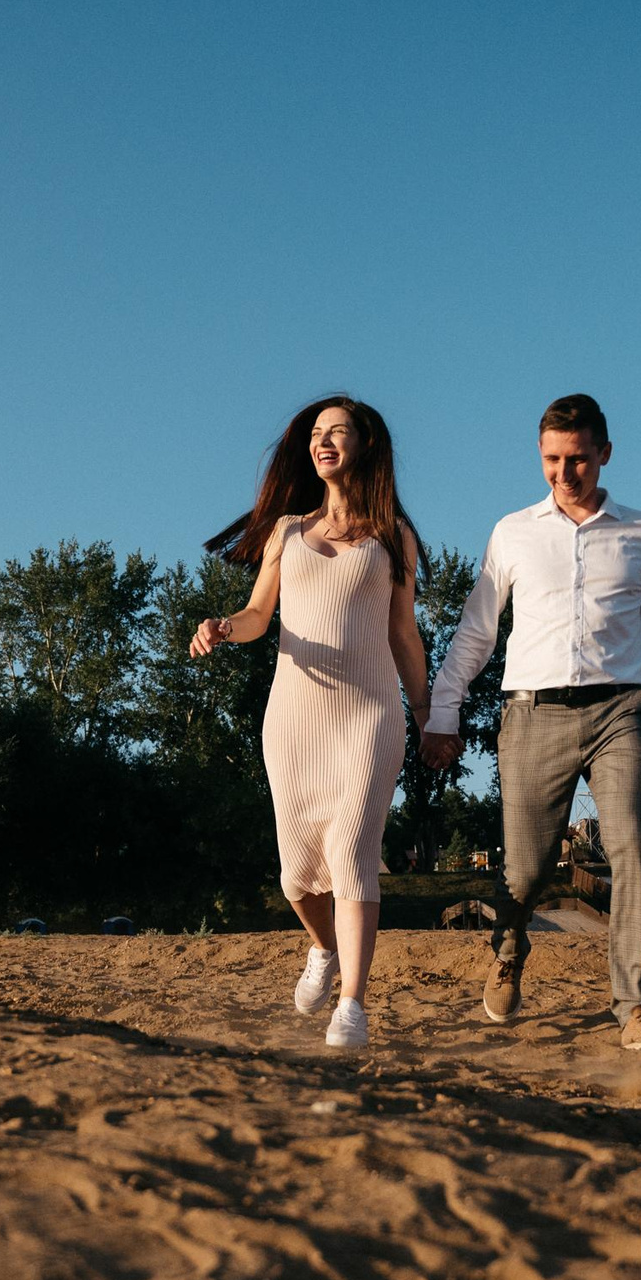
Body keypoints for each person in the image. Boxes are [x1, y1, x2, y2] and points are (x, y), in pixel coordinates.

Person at [420, 394, 641, 1053]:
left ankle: (635, 1008)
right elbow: (474, 632)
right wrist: (444, 711)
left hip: (622, 710)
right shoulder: (512, 532)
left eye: (577, 458)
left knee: (633, 848)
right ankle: (509, 950)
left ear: (605, 452)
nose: (564, 472)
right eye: (552, 459)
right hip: (532, 711)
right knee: (525, 869)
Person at [192, 396, 426, 1051]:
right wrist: (222, 627)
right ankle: (323, 950)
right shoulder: (288, 532)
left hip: (369, 716)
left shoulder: (392, 539)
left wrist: (435, 713)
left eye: (337, 432)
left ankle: (352, 1004)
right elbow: (257, 614)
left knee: (353, 855)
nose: (323, 442)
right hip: (294, 721)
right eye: (316, 433)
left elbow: (405, 636)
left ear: (367, 444)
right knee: (297, 875)